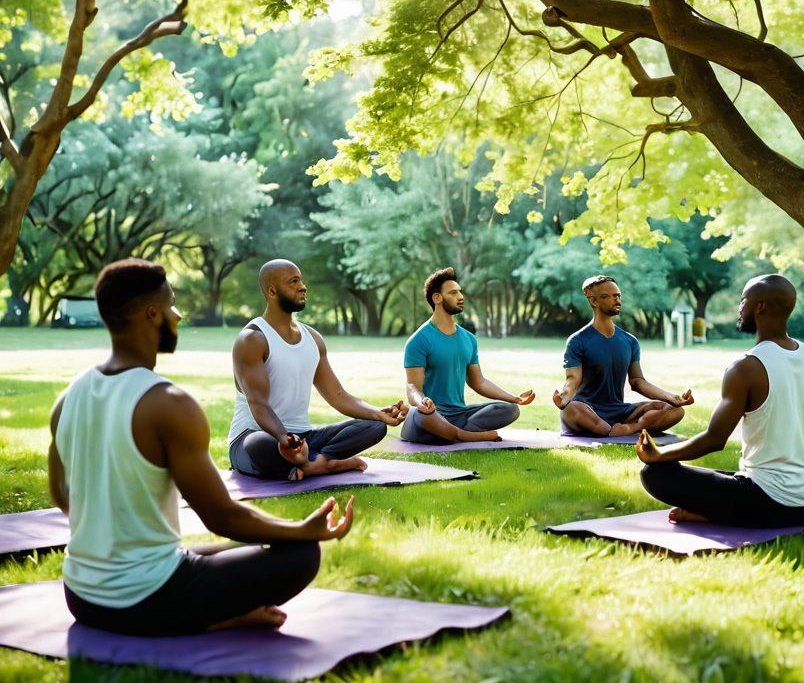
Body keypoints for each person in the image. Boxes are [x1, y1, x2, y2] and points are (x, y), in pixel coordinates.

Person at [48, 259, 354, 638]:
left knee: (229, 547)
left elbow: (63, 499)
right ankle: (218, 618)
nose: (178, 315)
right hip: (143, 600)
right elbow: (221, 516)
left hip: (80, 595)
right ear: (152, 313)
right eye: (172, 304)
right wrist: (303, 531)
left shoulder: (67, 398)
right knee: (300, 554)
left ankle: (207, 604)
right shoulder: (169, 404)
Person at [636, 274, 804, 527]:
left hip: (767, 504)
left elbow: (714, 440)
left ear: (759, 306)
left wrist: (659, 454)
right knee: (727, 477)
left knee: (655, 474)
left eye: (743, 301)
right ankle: (721, 509)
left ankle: (715, 513)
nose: (739, 308)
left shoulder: (746, 367)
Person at [229, 259, 407, 480]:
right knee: (258, 445)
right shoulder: (253, 339)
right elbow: (258, 404)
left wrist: (378, 414)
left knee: (374, 427)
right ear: (272, 291)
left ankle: (308, 464)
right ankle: (323, 463)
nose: (302, 286)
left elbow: (338, 396)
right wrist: (284, 438)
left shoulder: (313, 339)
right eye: (293, 282)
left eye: (301, 280)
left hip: (304, 438)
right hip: (259, 436)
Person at [401, 267, 535, 444]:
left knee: (510, 409)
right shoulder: (419, 340)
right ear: (437, 298)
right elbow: (412, 388)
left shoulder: (469, 339)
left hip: (458, 414)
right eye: (453, 292)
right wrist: (422, 401)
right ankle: (463, 434)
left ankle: (453, 433)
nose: (461, 297)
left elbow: (478, 381)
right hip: (432, 413)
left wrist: (514, 398)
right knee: (418, 413)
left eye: (460, 292)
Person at [554, 276, 693, 436]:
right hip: (587, 410)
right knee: (571, 408)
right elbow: (573, 379)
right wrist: (564, 397)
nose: (617, 300)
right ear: (593, 301)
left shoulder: (629, 340)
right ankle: (611, 430)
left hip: (620, 411)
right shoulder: (577, 340)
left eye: (618, 296)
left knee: (674, 411)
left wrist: (671, 397)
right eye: (609, 296)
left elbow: (637, 382)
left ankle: (628, 429)